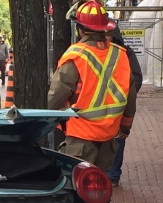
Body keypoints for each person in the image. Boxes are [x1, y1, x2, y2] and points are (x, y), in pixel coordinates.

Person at [48, 0, 137, 172]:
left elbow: (56, 96)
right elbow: (130, 97)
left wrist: (47, 120)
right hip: (108, 138)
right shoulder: (120, 55)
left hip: (80, 138)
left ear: (80, 29)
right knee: (100, 191)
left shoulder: (76, 55)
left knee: (76, 189)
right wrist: (125, 127)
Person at [105, 26, 143, 186]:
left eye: (108, 34)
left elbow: (136, 77)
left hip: (116, 107)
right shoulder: (93, 52)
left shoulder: (124, 53)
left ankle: (112, 175)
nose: (105, 38)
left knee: (117, 141)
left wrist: (123, 95)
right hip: (98, 108)